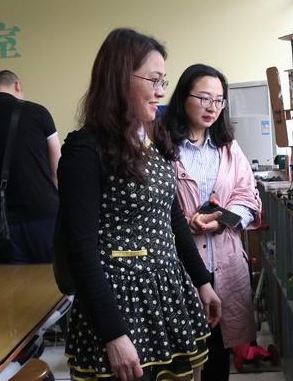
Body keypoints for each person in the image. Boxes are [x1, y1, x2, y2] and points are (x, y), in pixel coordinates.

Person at [57, 28, 221, 381]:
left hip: (168, 295)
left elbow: (172, 218)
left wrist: (202, 281)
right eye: (154, 80)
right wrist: (113, 334)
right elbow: (81, 250)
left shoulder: (153, 139)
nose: (161, 91)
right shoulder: (85, 150)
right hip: (119, 305)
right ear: (120, 79)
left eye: (164, 81)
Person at [162, 64, 262, 381]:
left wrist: (223, 220)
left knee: (219, 351)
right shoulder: (163, 147)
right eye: (204, 98)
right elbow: (151, 206)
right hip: (179, 263)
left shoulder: (228, 148)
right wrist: (185, 222)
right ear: (183, 98)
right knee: (181, 353)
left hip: (225, 262)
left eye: (219, 100)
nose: (212, 108)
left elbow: (248, 195)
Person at [0, 70, 61, 263]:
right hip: (43, 216)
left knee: (4, 282)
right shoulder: (38, 112)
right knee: (49, 279)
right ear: (17, 85)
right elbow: (58, 167)